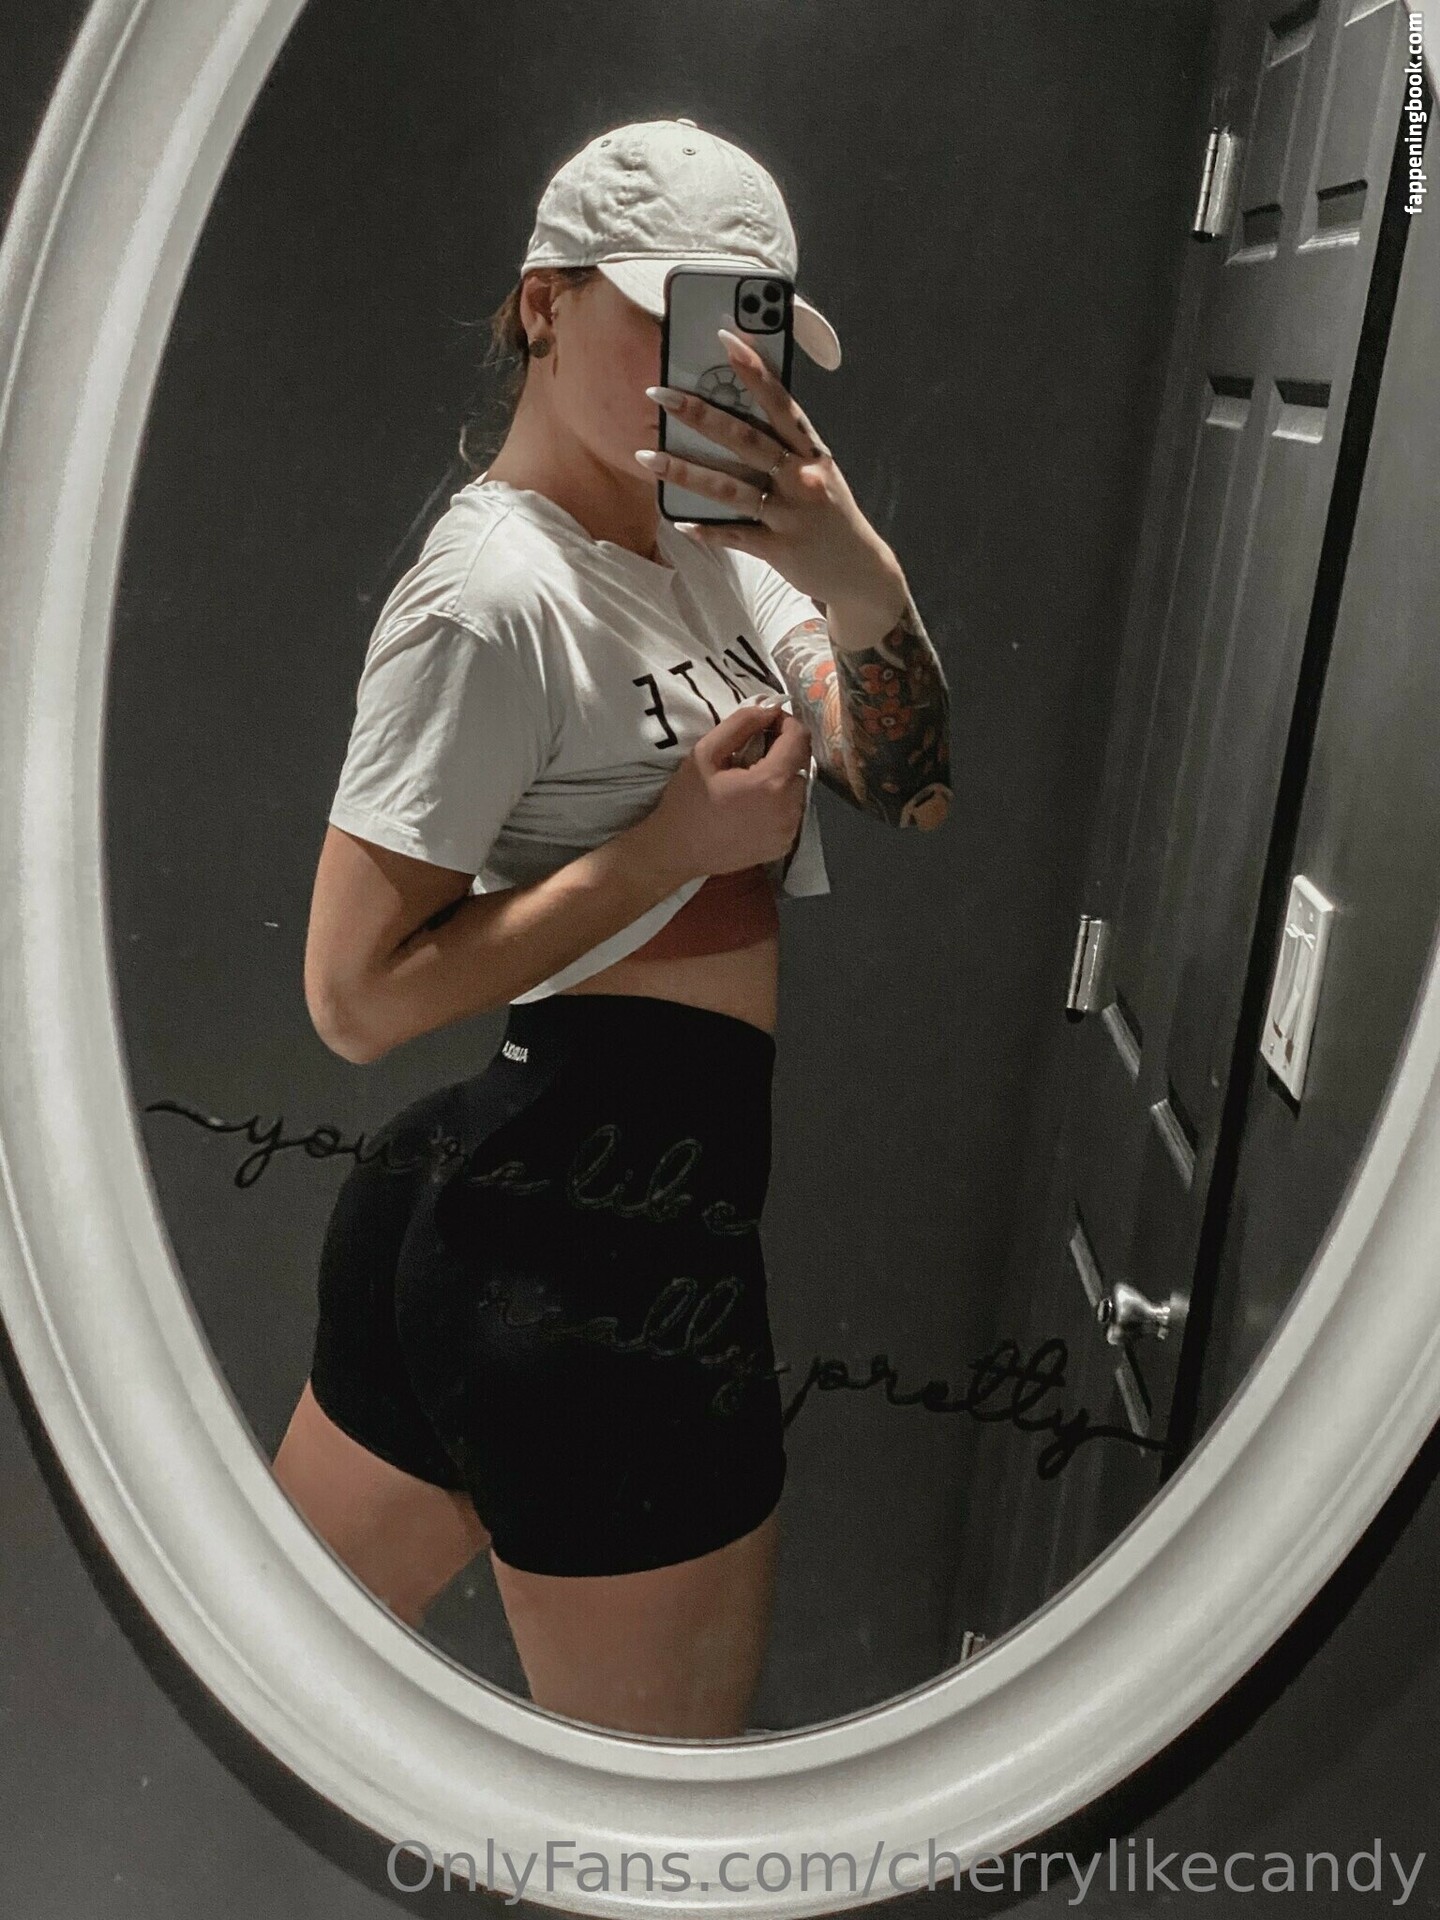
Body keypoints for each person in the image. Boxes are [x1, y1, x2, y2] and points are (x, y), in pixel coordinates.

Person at [272, 117, 952, 1739]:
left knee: (295, 1710)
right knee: (658, 1842)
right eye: (661, 314)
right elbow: (352, 999)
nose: (704, 370)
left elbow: (906, 782)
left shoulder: (718, 556)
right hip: (605, 1270)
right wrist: (667, 850)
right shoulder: (490, 596)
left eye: (738, 328)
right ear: (543, 304)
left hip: (525, 1213)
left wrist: (853, 565)